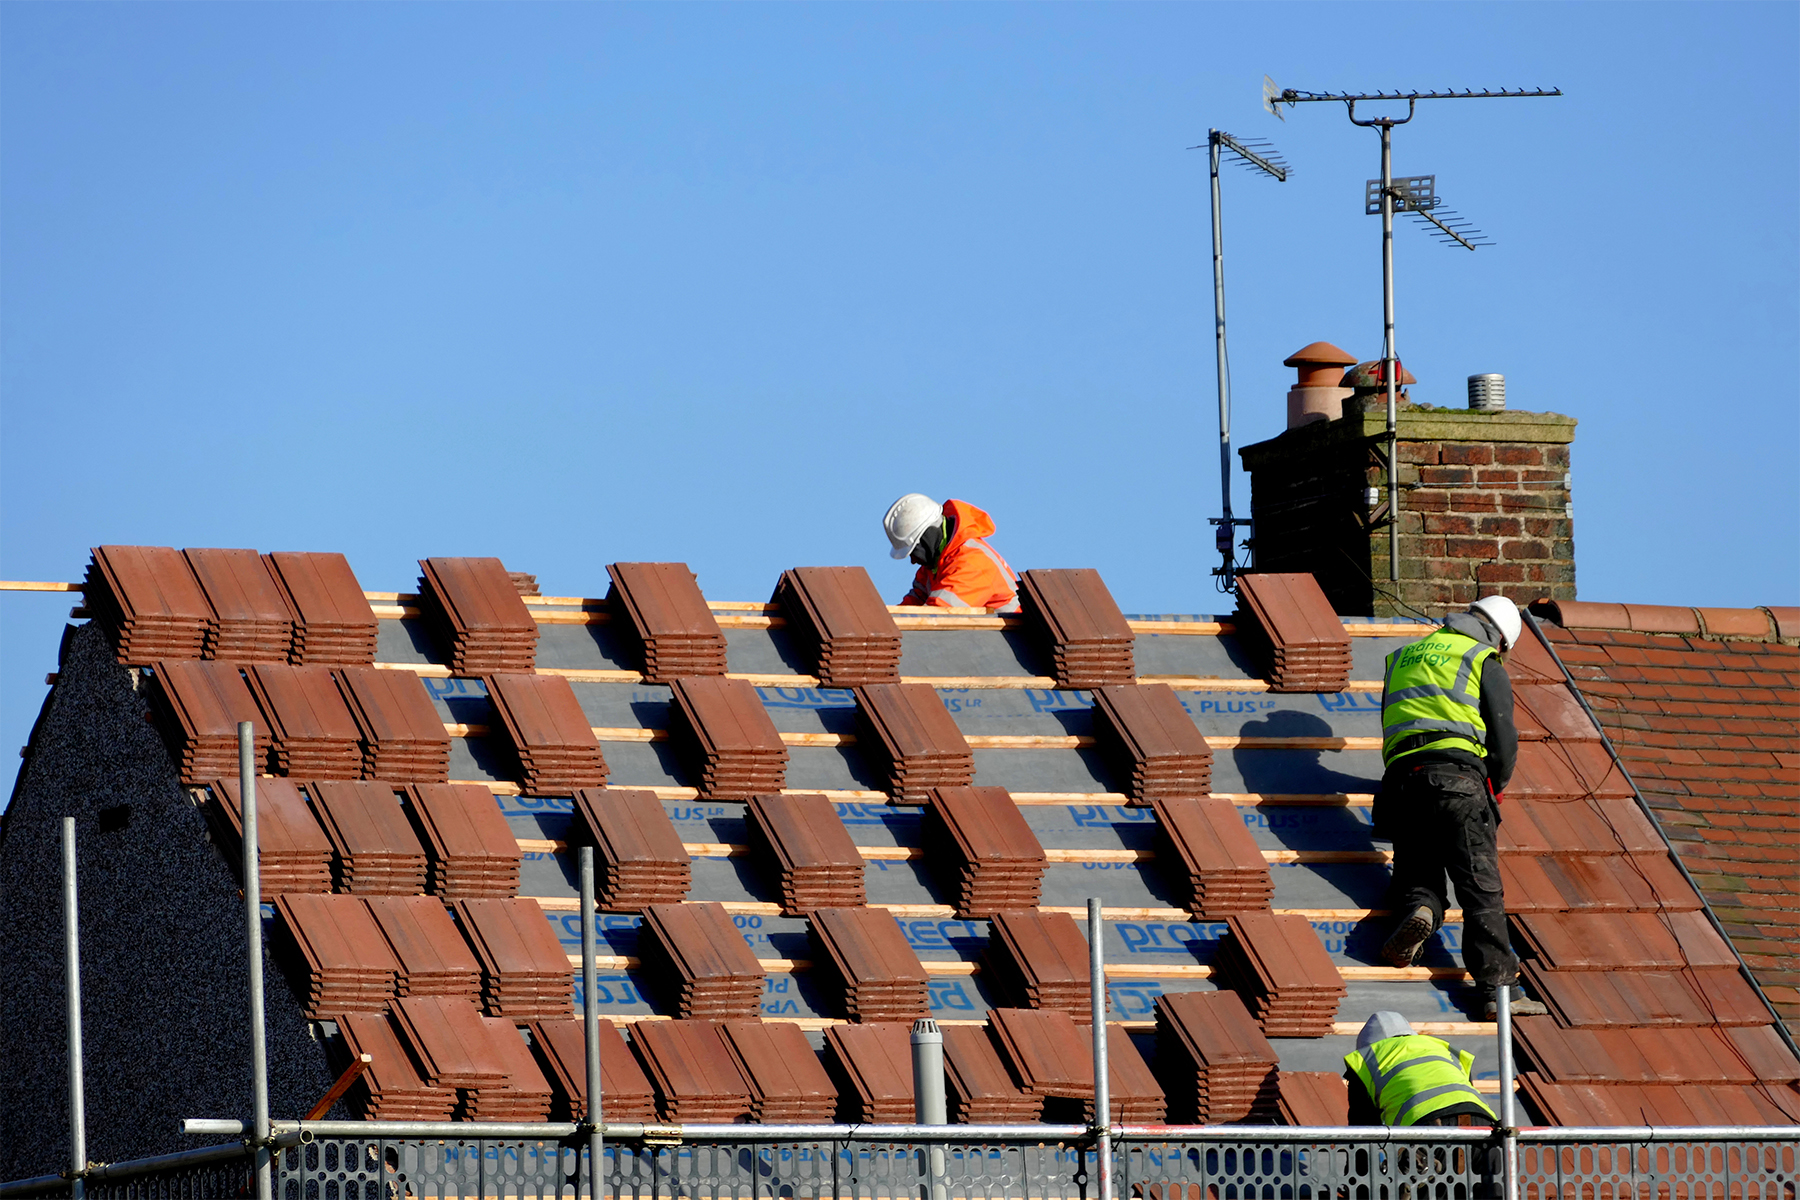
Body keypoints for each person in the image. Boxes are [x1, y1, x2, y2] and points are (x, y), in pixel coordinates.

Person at [1377, 594, 1547, 1020]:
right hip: (1457, 778)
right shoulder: (1482, 657)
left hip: (1401, 783)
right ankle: (1498, 988)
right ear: (1501, 640)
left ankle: (1422, 908)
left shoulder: (1403, 656)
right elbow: (1503, 734)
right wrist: (1497, 784)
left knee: (1417, 867)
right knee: (1479, 885)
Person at [1345, 1012, 1504, 1199]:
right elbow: (1461, 1097)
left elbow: (1363, 1137)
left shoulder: (1366, 1061)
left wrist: (1359, 1188)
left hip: (1431, 1130)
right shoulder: (1440, 1048)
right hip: (1485, 1128)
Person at [1344, 1011, 1495, 1126]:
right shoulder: (1441, 1047)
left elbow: (1363, 1131)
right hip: (1483, 1123)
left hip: (1427, 1126)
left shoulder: (1366, 1061)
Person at [882, 494, 1019, 612]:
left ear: (926, 537)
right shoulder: (934, 566)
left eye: (913, 551)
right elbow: (911, 607)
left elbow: (937, 617)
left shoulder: (972, 564)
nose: (913, 561)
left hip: (1015, 639)